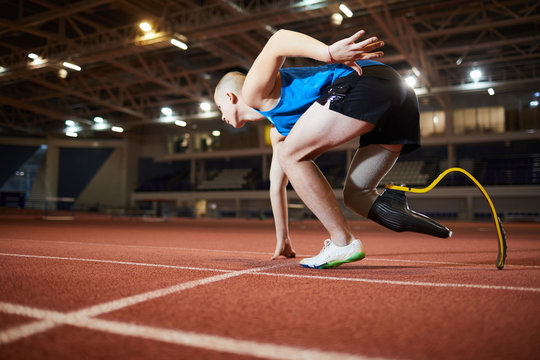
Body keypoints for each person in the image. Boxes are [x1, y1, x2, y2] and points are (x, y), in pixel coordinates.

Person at [214, 29, 450, 269]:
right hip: (397, 93)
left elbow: (278, 40)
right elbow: (278, 185)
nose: (221, 116)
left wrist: (328, 53)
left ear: (230, 96)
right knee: (357, 195)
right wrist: (283, 238)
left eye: (218, 106)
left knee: (290, 155)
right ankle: (396, 209)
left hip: (364, 79)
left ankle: (343, 242)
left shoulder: (253, 94)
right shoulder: (281, 130)